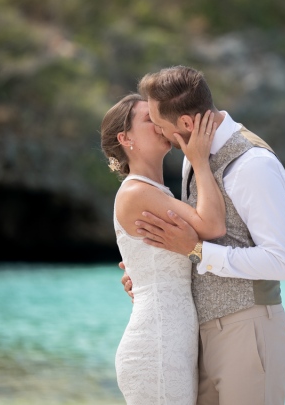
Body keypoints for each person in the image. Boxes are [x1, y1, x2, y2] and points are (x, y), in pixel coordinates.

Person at [120, 66, 285, 405]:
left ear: (186, 124)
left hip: (249, 330)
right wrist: (149, 273)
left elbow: (280, 261)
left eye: (160, 124)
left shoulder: (252, 164)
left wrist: (197, 250)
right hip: (202, 335)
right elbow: (194, 235)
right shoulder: (194, 157)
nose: (158, 131)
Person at [101, 92, 226, 405]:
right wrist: (199, 159)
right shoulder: (136, 192)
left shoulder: (157, 191)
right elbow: (211, 226)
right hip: (156, 346)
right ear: (125, 138)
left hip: (171, 343)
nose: (159, 124)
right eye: (149, 119)